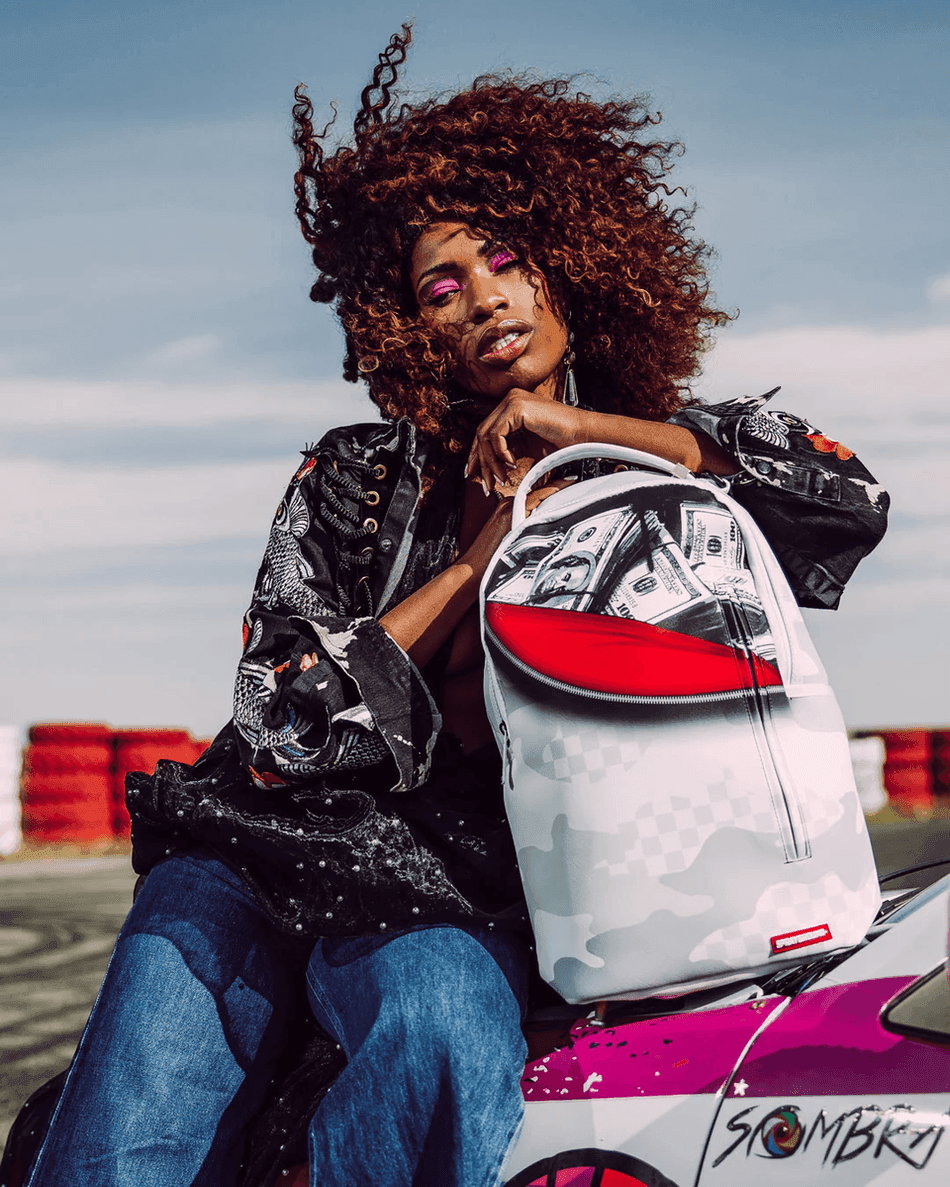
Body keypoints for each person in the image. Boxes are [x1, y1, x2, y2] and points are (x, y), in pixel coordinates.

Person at [17, 24, 888, 1187]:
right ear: (401, 325)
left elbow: (843, 497)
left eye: (505, 259)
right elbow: (282, 720)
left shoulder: (654, 468)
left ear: (569, 263)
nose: (483, 297)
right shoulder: (347, 477)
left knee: (441, 1035)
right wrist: (482, 555)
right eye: (441, 286)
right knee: (130, 1126)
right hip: (257, 848)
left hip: (450, 883)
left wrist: (582, 434)